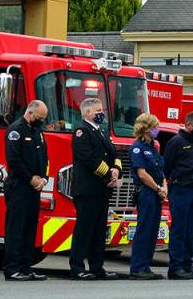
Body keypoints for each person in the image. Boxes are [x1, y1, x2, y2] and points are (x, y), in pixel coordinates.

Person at [69, 97, 121, 281]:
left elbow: (115, 154)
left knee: (99, 231)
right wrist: (109, 175)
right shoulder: (82, 132)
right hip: (87, 190)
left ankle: (97, 267)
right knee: (84, 230)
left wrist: (117, 170)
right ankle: (77, 268)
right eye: (98, 111)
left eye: (102, 110)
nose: (102, 114)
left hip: (102, 190)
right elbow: (89, 158)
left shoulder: (102, 132)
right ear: (88, 113)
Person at [2, 100, 49, 281]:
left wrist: (43, 178)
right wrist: (30, 178)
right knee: (16, 229)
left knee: (30, 229)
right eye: (39, 118)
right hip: (19, 186)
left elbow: (44, 157)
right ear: (30, 113)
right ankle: (12, 268)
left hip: (34, 188)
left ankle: (26, 267)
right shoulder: (16, 130)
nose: (41, 121)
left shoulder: (37, 131)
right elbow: (14, 160)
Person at [164, 111, 193, 280]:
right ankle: (175, 268)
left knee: (190, 231)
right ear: (188, 125)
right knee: (179, 230)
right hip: (180, 189)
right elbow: (167, 165)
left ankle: (187, 265)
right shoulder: (176, 142)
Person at [128, 113, 165, 280]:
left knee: (152, 230)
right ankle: (137, 267)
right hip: (146, 191)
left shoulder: (154, 147)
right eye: (154, 126)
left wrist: (164, 186)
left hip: (156, 192)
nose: (157, 129)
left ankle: (146, 266)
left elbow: (160, 170)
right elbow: (142, 174)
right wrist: (158, 188)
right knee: (144, 229)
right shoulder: (138, 148)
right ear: (146, 128)